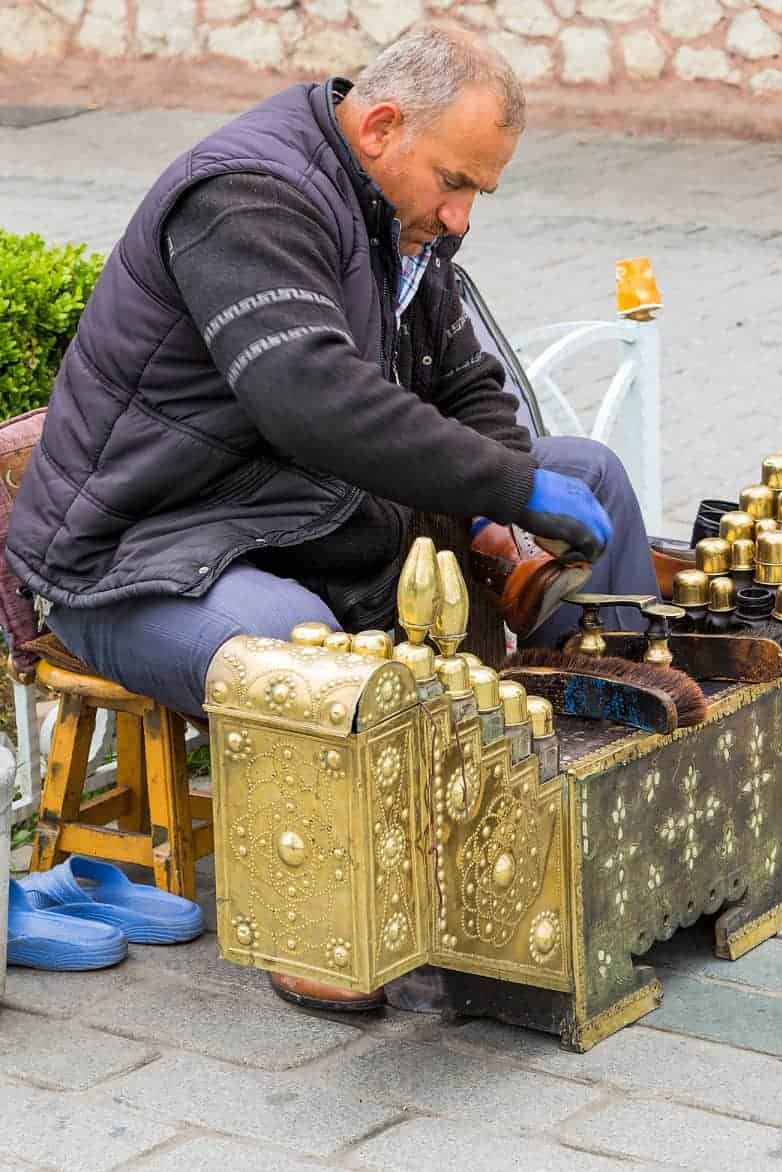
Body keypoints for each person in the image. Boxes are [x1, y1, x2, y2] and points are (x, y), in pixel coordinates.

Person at [5, 24, 658, 1010]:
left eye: (478, 191)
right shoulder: (245, 196)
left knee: (590, 475)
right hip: (139, 555)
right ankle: (322, 926)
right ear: (383, 126)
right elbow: (310, 400)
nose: (461, 214)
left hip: (300, 517)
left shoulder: (398, 208)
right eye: (454, 182)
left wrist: (508, 497)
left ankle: (590, 797)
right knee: (294, 648)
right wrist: (505, 491)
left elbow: (465, 382)